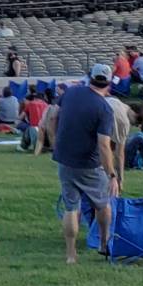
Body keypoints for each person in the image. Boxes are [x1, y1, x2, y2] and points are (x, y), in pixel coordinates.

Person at [49, 69, 124, 266]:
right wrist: (112, 174)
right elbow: (104, 146)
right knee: (103, 204)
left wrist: (55, 141)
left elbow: (52, 116)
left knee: (71, 207)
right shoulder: (104, 109)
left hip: (65, 160)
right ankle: (103, 242)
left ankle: (71, 254)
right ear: (108, 84)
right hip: (89, 165)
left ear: (90, 78)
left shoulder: (71, 92)